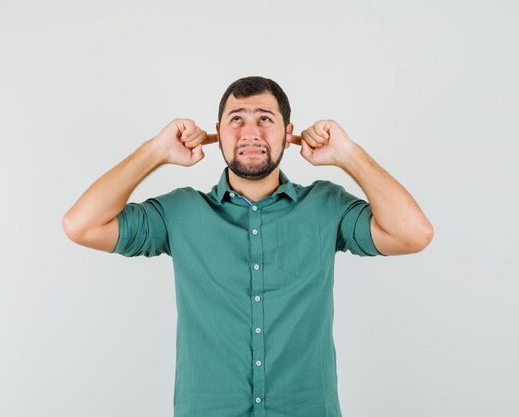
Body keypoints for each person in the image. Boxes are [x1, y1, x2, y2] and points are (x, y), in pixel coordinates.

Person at [62, 76, 434, 417]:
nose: (250, 132)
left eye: (265, 119)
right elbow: (81, 225)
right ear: (217, 133)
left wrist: (348, 154)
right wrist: (155, 151)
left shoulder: (326, 206)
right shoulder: (180, 212)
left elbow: (413, 235)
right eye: (236, 119)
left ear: (288, 133)